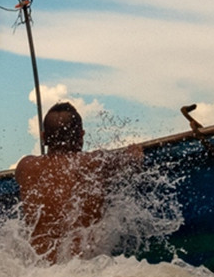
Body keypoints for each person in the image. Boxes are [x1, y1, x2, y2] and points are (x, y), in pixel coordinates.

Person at [14, 101, 144, 263]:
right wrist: (135, 152)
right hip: (83, 268)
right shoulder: (94, 162)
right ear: (81, 135)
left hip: (38, 270)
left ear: (43, 137)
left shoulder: (25, 167)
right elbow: (133, 160)